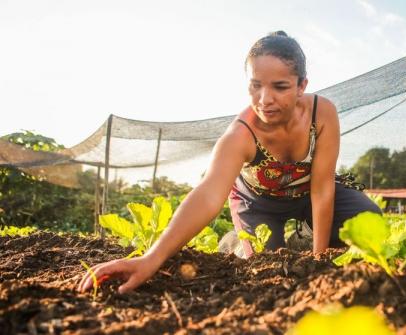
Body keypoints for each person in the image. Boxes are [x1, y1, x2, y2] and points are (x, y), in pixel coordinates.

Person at [78, 31, 381, 294]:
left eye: (280, 86)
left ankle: (305, 238)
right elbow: (209, 194)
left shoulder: (322, 113)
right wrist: (151, 258)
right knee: (267, 263)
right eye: (255, 85)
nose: (265, 99)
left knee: (368, 218)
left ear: (301, 85)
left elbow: (322, 188)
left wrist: (318, 259)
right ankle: (236, 240)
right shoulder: (241, 134)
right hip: (259, 202)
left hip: (307, 193)